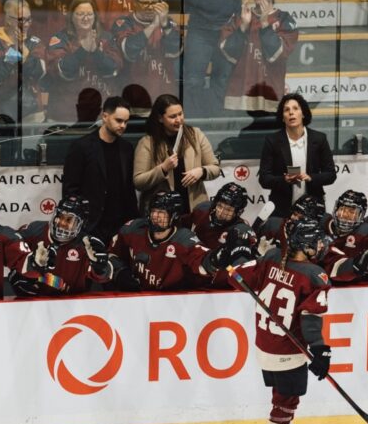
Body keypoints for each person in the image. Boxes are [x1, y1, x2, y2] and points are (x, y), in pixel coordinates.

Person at [227, 218, 332, 424]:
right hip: (288, 350)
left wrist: (236, 256)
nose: (321, 245)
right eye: (316, 242)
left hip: (264, 346)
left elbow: (235, 276)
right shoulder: (315, 275)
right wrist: (320, 349)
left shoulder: (273, 257)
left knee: (281, 395)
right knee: (286, 400)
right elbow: (310, 318)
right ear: (305, 246)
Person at [106, 191, 246, 291]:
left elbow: (202, 263)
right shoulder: (133, 229)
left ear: (173, 217)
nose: (156, 216)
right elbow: (111, 255)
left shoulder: (184, 240)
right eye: (154, 211)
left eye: (162, 213)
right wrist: (120, 272)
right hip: (137, 300)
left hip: (172, 303)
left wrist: (216, 258)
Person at [62, 96, 138, 244]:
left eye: (126, 122)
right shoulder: (81, 147)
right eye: (118, 120)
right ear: (105, 116)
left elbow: (129, 190)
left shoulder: (127, 148)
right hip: (90, 225)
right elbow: (70, 190)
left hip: (120, 225)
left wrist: (132, 223)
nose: (123, 125)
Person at [220, 0, 298, 113]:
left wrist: (265, 24)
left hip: (270, 92)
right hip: (239, 95)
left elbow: (279, 55)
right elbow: (227, 53)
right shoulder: (240, 16)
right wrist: (242, 27)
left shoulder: (285, 19)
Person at [133, 94, 220, 214]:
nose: (179, 120)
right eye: (173, 116)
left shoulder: (196, 135)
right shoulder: (147, 143)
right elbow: (138, 182)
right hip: (162, 214)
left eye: (181, 114)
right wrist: (163, 168)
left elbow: (215, 168)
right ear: (160, 118)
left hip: (194, 209)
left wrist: (201, 171)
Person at [44, 0, 123, 122]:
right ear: (71, 17)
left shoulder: (106, 38)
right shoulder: (60, 39)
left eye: (89, 14)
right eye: (80, 14)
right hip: (67, 115)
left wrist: (96, 52)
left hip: (100, 114)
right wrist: (83, 50)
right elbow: (61, 71)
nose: (86, 18)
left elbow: (113, 69)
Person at [16, 195, 112, 296]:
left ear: (81, 224)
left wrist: (100, 268)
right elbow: (12, 255)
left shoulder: (87, 245)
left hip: (72, 305)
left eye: (69, 220)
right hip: (35, 303)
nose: (62, 223)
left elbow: (103, 276)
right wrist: (17, 274)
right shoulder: (34, 231)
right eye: (60, 217)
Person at [259, 93, 336, 218]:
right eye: (286, 110)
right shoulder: (272, 141)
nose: (291, 113)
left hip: (313, 208)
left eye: (295, 108)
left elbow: (331, 175)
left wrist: (310, 178)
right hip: (281, 208)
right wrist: (284, 180)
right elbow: (264, 179)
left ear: (303, 113)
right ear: (282, 117)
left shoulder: (319, 139)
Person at [110, 0, 182, 102]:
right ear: (134, 3)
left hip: (164, 96)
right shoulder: (123, 23)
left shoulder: (168, 23)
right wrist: (153, 25)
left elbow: (175, 51)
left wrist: (165, 25)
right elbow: (129, 50)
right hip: (133, 96)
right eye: (145, 3)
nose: (150, 7)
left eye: (154, 3)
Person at [0, 0, 47, 123]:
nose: (26, 24)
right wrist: (15, 51)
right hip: (0, 110)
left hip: (31, 110)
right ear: (9, 20)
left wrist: (22, 48)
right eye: (22, 20)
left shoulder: (35, 43)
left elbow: (38, 72)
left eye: (29, 19)